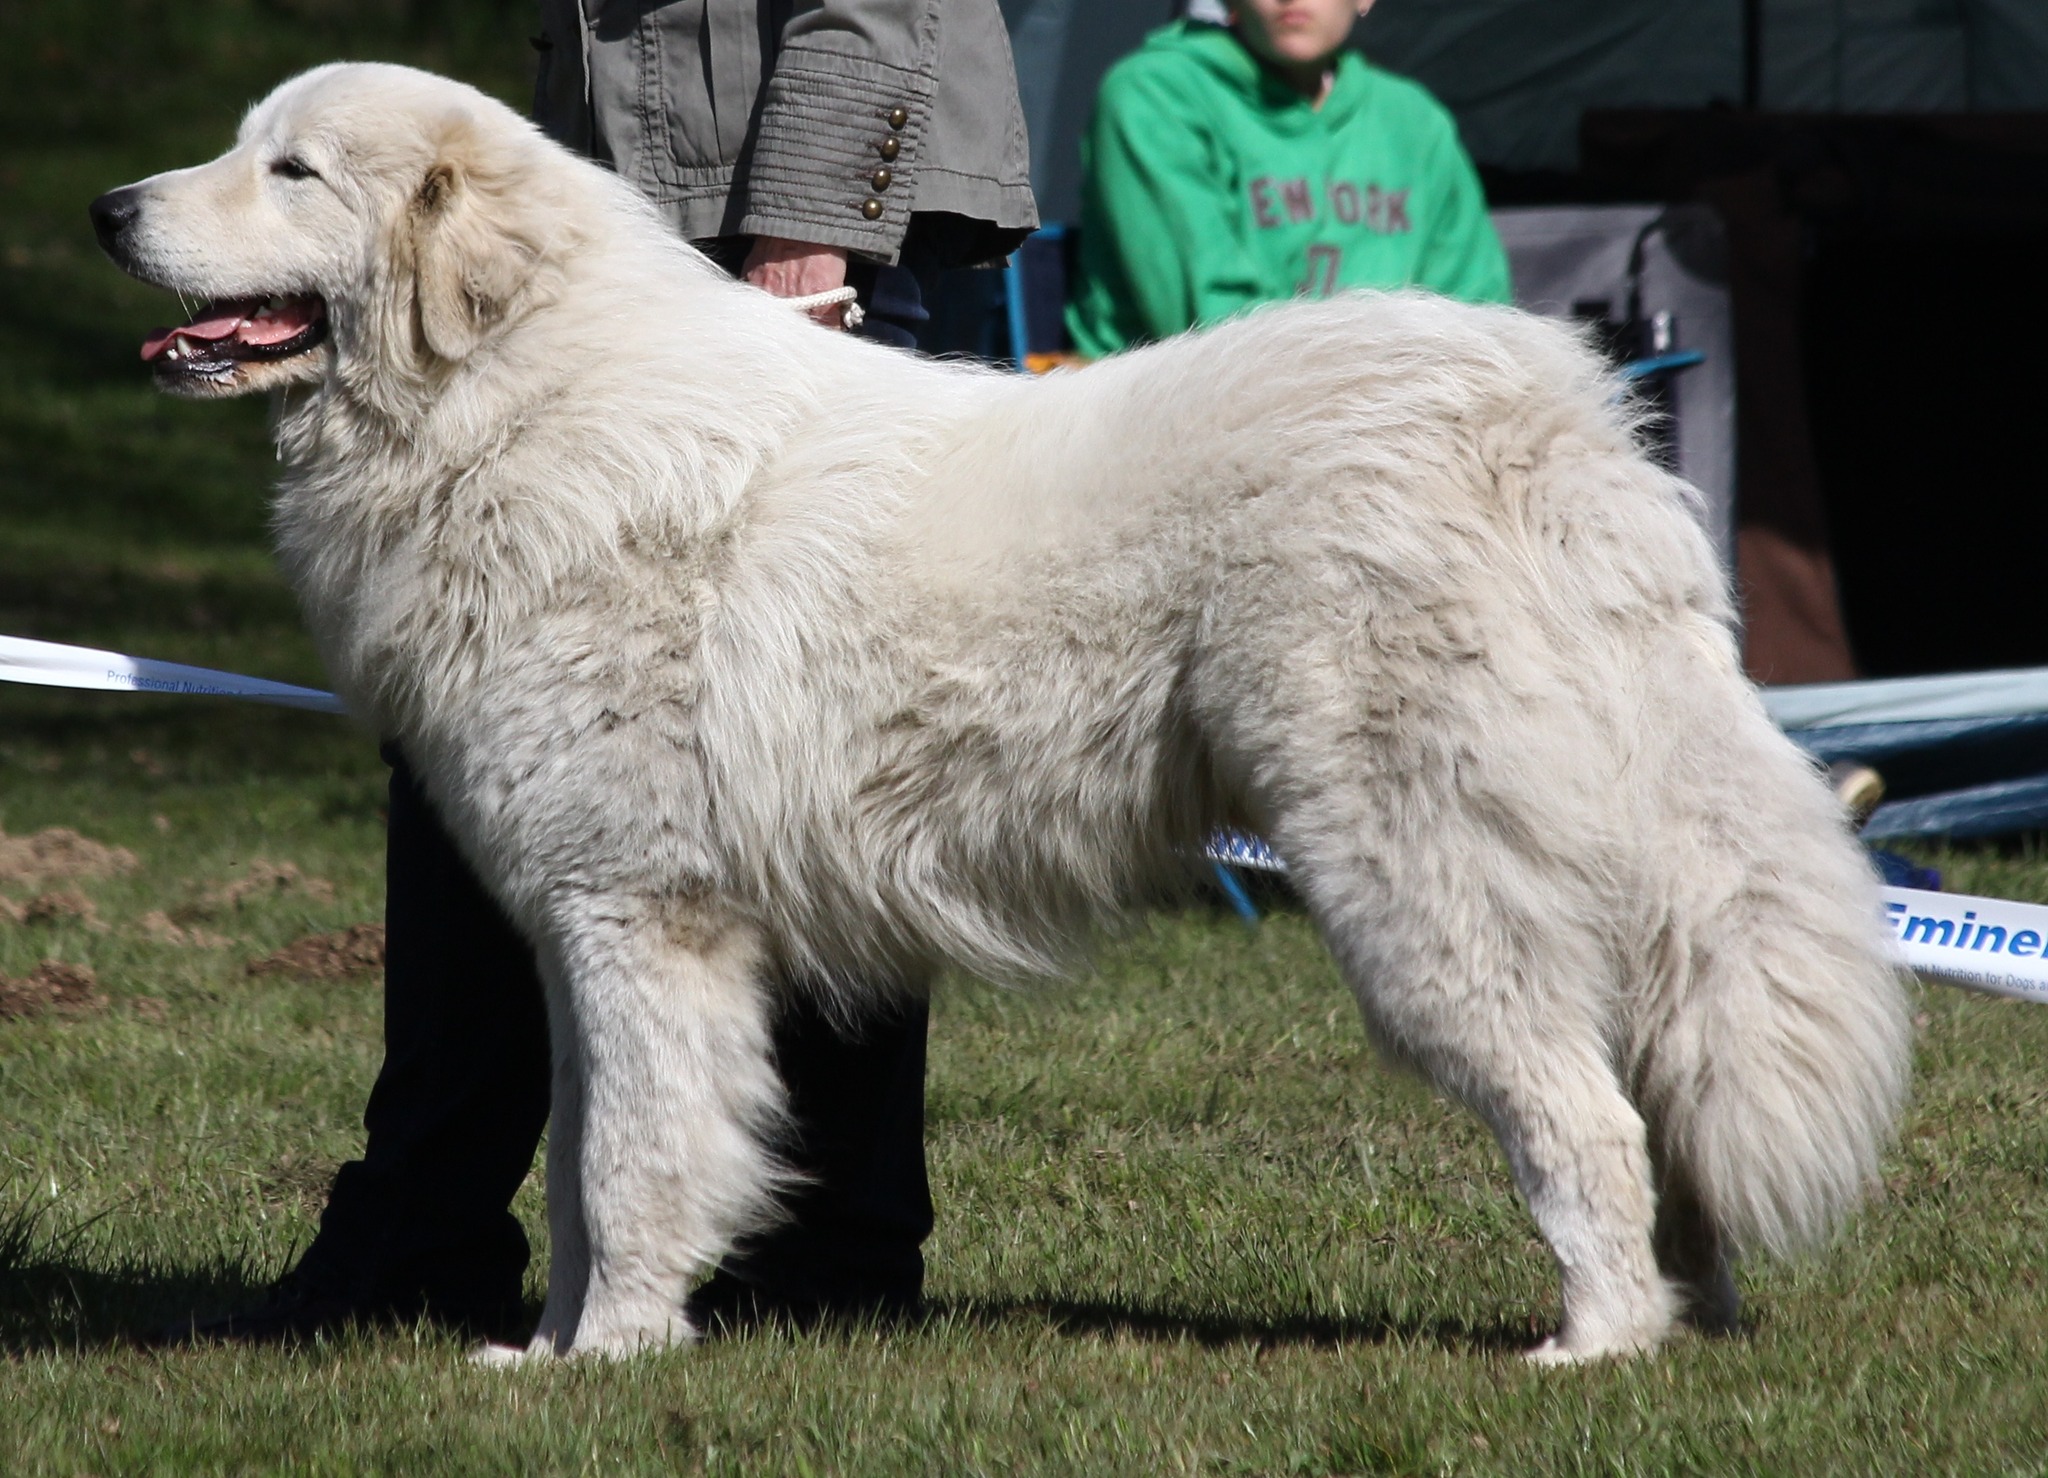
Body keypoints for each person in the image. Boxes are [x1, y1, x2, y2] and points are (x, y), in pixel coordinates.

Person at [174, 0, 1036, 1346]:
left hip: (792, 202)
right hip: (598, 194)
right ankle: (431, 1239)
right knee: (516, 773)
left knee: (835, 767)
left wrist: (805, 235)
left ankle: (813, 1270)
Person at [1065, 0, 1509, 358]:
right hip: (1181, 418)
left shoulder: (1414, 121)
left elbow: (1479, 314)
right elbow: (1211, 331)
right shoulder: (1154, 96)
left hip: (1397, 413)